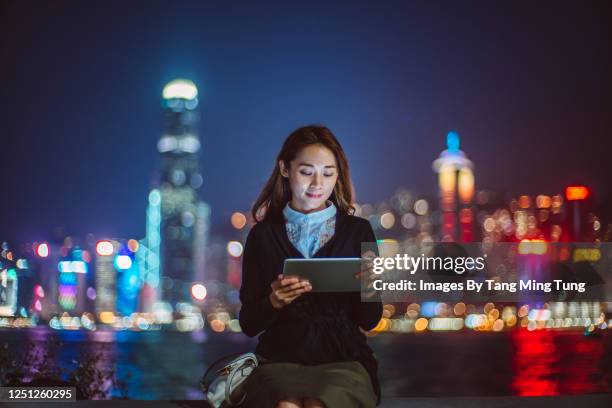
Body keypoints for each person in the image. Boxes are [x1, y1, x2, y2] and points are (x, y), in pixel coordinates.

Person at [238, 125, 383, 408]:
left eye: (328, 173)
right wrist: (273, 302)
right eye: (307, 172)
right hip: (279, 360)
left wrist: (370, 285)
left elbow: (369, 320)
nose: (318, 183)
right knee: (286, 406)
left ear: (338, 175)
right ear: (285, 169)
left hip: (343, 360)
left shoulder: (358, 231)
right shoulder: (263, 236)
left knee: (319, 405)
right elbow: (248, 323)